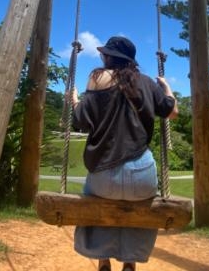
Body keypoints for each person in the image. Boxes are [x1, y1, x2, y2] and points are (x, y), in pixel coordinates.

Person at [71, 36, 178, 271]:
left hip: (103, 173)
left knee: (97, 201)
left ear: (108, 57)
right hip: (142, 172)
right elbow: (172, 112)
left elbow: (80, 121)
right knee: (139, 207)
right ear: (130, 60)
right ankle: (130, 263)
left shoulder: (97, 78)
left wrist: (76, 102)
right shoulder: (147, 82)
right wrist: (167, 87)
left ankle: (102, 261)